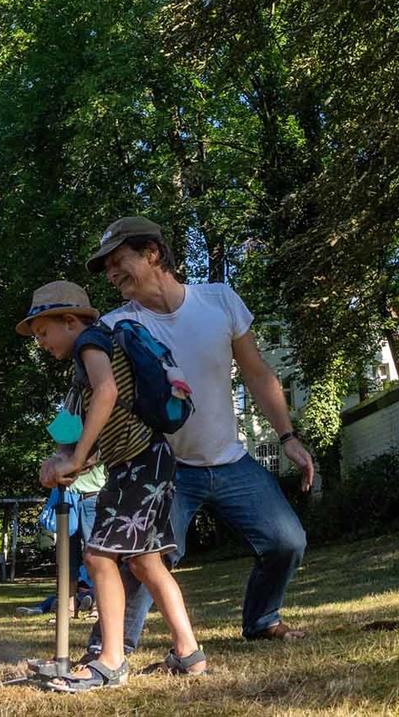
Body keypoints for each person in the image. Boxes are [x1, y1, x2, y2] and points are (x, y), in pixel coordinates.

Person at [87, 216, 312, 648]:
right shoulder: (118, 327)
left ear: (152, 253)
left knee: (287, 541)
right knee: (146, 557)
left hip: (230, 460)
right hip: (165, 469)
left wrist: (288, 437)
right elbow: (92, 394)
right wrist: (69, 449)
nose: (112, 274)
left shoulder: (220, 301)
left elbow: (258, 373)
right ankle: (109, 649)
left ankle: (263, 619)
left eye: (118, 261)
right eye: (108, 267)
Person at [20, 278, 205, 691]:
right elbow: (116, 423)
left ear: (68, 320)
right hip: (145, 460)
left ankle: (111, 659)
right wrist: (74, 457)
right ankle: (189, 654)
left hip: (142, 464)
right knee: (146, 562)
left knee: (100, 557)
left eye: (43, 332)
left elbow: (107, 392)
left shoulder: (90, 342)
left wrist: (79, 458)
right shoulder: (97, 345)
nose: (42, 343)